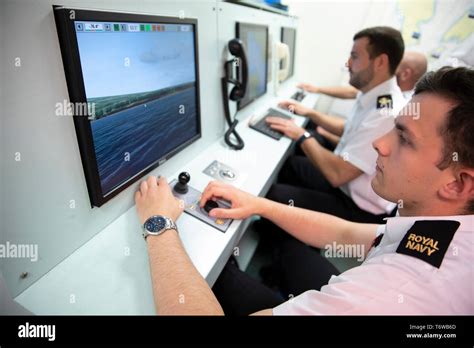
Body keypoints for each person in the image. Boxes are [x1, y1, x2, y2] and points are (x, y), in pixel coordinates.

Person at [135, 67, 474, 315]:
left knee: (215, 274)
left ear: (459, 183)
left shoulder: (390, 294)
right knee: (281, 241)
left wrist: (160, 224)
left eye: (404, 138)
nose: (379, 144)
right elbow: (348, 233)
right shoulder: (448, 229)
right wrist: (259, 204)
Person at [265, 27, 406, 224]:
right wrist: (311, 113)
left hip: (356, 204)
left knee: (275, 195)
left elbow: (337, 174)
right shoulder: (376, 94)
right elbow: (349, 129)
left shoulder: (386, 115)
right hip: (346, 182)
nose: (348, 64)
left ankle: (293, 243)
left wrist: (302, 134)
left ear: (380, 62)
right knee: (291, 166)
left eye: (354, 57)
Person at [297, 51, 428, 101]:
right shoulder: (387, 91)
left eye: (393, 65)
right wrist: (317, 89)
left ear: (405, 74)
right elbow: (353, 92)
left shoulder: (395, 102)